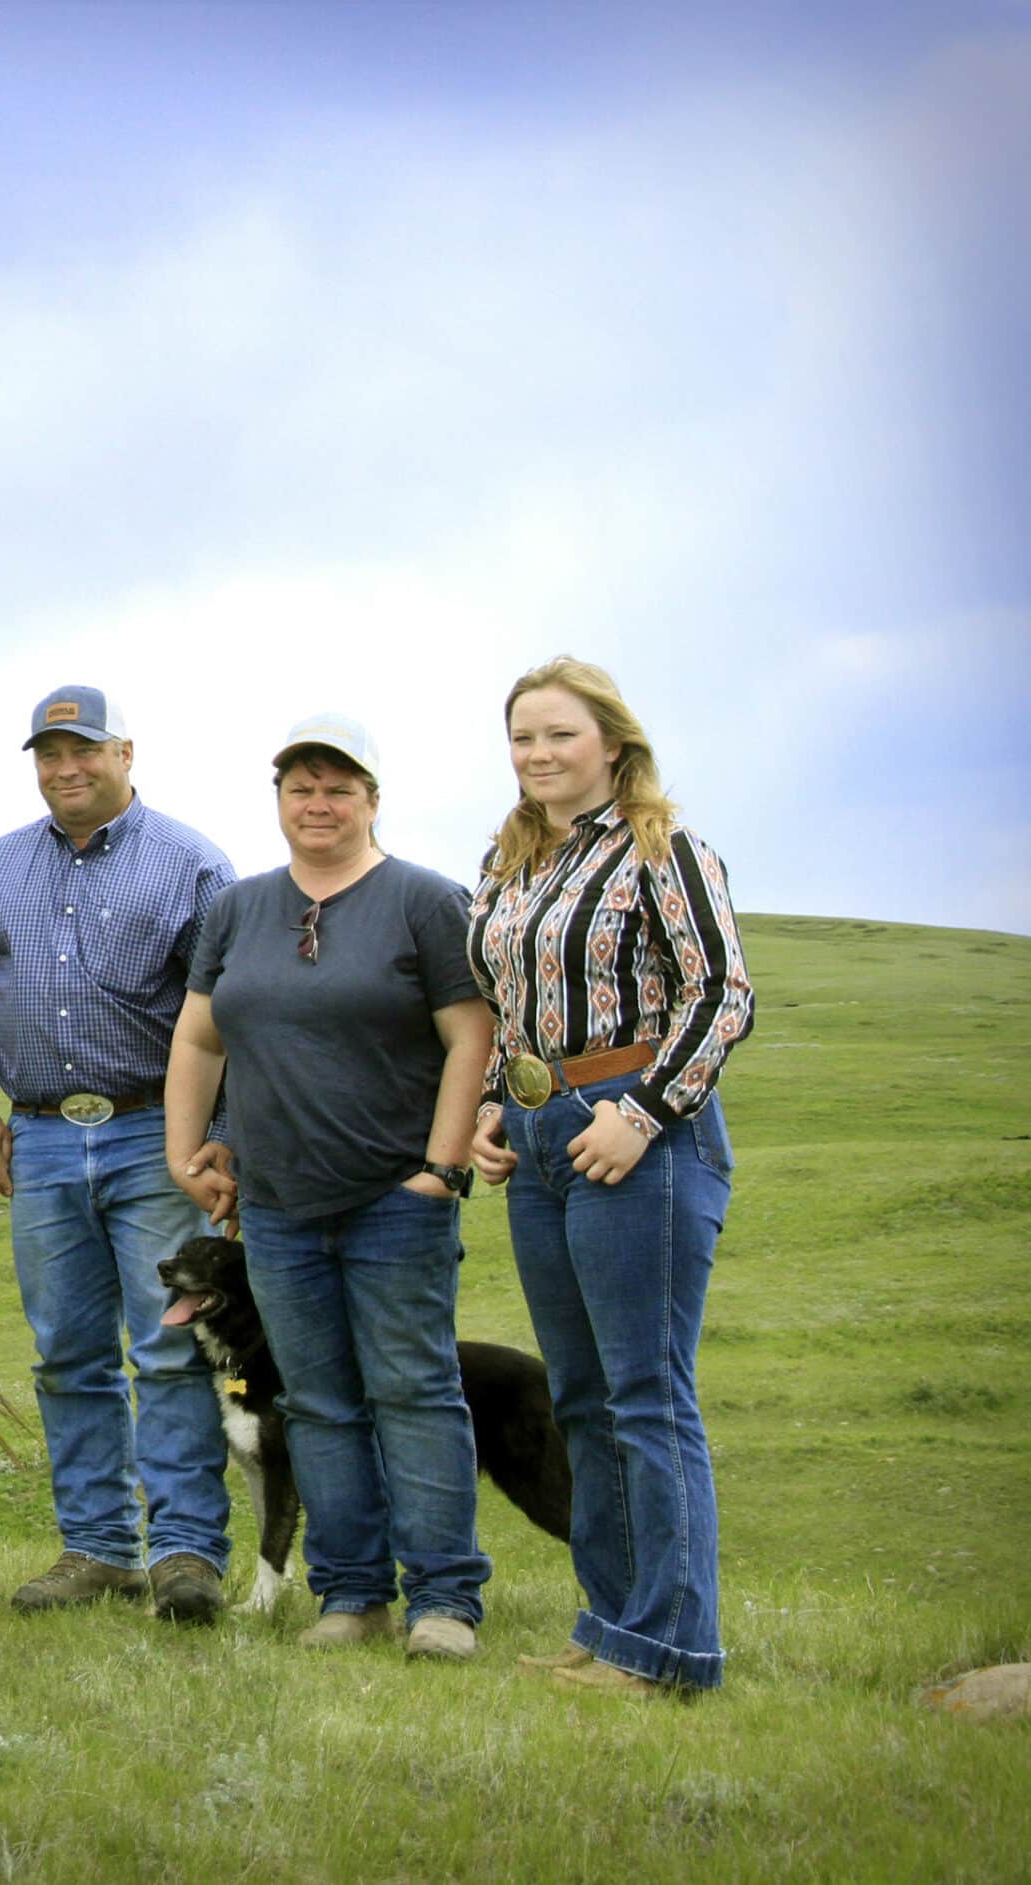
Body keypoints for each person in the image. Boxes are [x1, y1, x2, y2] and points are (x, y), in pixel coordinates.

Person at [164, 713, 496, 1659]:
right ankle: (351, 1595)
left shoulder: (425, 902)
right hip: (274, 1207)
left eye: (338, 787)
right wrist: (187, 1148)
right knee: (316, 1400)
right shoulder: (236, 909)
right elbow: (199, 1034)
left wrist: (443, 1165)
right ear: (278, 801)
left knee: (415, 1391)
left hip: (396, 1195)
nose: (318, 802)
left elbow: (470, 1034)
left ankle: (444, 1600)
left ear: (372, 801)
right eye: (300, 786)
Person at [466, 657, 754, 1697]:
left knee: (646, 1394)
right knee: (581, 1395)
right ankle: (612, 1621)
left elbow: (721, 993)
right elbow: (508, 1004)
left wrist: (643, 1112)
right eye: (523, 738)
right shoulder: (511, 862)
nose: (539, 755)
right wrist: (497, 1105)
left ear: (614, 742)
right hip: (543, 1138)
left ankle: (672, 1646)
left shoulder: (661, 848)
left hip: (638, 1126)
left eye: (560, 736)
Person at [0, 684, 238, 1625]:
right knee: (67, 1349)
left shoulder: (192, 863)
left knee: (170, 1341)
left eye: (84, 750)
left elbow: (229, 1011)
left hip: (157, 1130)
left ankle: (185, 1549)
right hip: (40, 1138)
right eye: (48, 753)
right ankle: (99, 1546)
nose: (65, 768)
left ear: (127, 752)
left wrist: (219, 1137)